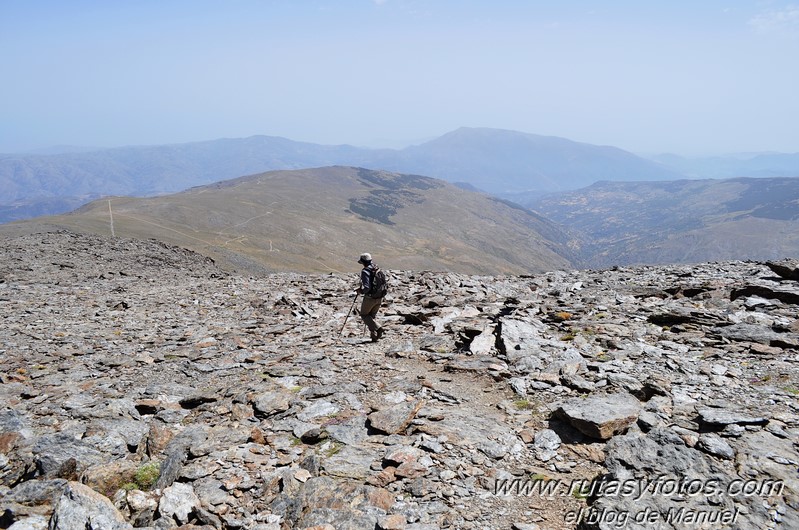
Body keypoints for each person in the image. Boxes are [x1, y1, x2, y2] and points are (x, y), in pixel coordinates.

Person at [355, 252, 385, 342]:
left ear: (363, 262)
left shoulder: (365, 271)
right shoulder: (376, 268)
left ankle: (378, 328)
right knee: (371, 317)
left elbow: (367, 287)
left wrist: (361, 291)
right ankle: (374, 337)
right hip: (380, 296)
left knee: (364, 315)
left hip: (370, 298)